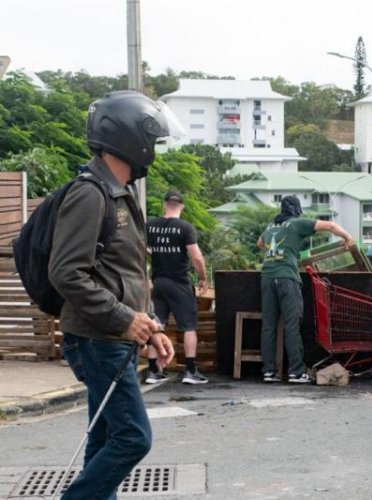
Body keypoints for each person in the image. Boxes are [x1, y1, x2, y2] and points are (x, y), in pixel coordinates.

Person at [49, 91, 176, 499]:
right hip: (96, 338)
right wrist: (125, 319)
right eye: (151, 139)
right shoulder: (90, 194)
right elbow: (66, 272)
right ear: (129, 138)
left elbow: (126, 274)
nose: (153, 149)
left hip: (113, 337)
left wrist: (149, 326)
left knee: (104, 440)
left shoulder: (120, 194)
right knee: (133, 438)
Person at [257, 195, 355, 383]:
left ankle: (268, 371)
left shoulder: (271, 227)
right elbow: (330, 226)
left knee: (268, 325)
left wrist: (276, 254)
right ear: (296, 210)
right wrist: (348, 238)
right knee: (292, 325)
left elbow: (260, 244)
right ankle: (296, 372)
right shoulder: (297, 223)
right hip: (287, 277)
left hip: (267, 277)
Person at [145, 188, 209, 385]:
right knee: (189, 326)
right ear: (181, 206)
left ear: (164, 204)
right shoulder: (185, 228)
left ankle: (153, 371)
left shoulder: (150, 226)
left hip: (158, 282)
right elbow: (196, 257)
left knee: (157, 324)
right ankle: (190, 370)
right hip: (179, 282)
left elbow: (139, 249)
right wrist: (203, 278)